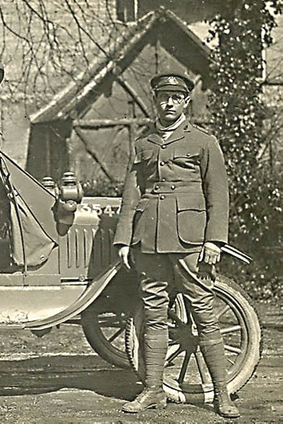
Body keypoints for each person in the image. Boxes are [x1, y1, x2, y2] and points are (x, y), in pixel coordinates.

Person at [113, 72, 239, 418]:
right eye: (163, 97)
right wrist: (124, 239)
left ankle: (222, 395)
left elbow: (218, 196)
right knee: (153, 315)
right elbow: (131, 194)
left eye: (175, 97)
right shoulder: (144, 144)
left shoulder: (203, 141)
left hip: (190, 241)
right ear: (156, 101)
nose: (168, 103)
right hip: (149, 239)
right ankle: (152, 390)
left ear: (186, 102)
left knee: (203, 314)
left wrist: (215, 240)